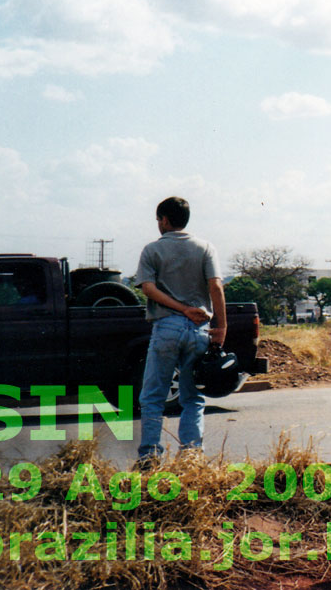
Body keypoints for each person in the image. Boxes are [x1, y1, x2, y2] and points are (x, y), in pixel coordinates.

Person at [134, 196, 226, 464]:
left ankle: (150, 455)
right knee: (193, 396)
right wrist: (221, 326)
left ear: (164, 220)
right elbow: (216, 287)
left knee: (153, 396)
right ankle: (191, 455)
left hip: (167, 327)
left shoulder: (152, 250)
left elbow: (148, 289)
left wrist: (179, 308)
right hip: (199, 329)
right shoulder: (205, 248)